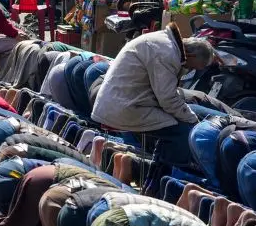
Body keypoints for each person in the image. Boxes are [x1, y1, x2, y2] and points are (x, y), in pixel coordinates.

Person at [90, 24, 216, 167]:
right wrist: (193, 120)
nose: (190, 70)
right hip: (125, 107)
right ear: (191, 55)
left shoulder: (165, 42)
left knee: (173, 125)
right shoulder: (168, 54)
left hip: (118, 102)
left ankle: (156, 172)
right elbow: (168, 99)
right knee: (183, 132)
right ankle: (163, 178)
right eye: (193, 67)